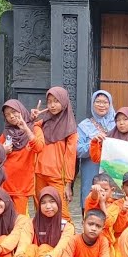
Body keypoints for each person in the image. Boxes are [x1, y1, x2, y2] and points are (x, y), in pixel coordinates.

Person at [9, 187, 75, 257]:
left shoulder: (67, 227)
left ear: (59, 203)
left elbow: (60, 249)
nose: (48, 206)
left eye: (52, 201)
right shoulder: (32, 223)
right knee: (31, 247)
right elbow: (23, 242)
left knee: (44, 247)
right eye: (43, 203)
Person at [32, 87, 78, 218]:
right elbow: (31, 128)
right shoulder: (43, 122)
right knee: (40, 211)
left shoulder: (70, 129)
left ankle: (67, 238)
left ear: (64, 102)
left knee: (62, 214)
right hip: (39, 173)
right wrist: (32, 118)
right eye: (50, 101)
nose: (52, 105)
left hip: (58, 177)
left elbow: (70, 157)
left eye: (56, 101)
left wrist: (68, 184)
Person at [0, 100, 43, 214]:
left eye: (14, 112)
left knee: (20, 216)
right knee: (6, 215)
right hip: (6, 181)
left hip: (22, 183)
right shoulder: (6, 133)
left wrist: (26, 130)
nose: (11, 116)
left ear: (21, 111)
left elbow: (39, 147)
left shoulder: (34, 129)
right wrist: (3, 150)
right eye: (7, 115)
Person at [76, 90, 116, 200]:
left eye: (105, 102)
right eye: (98, 102)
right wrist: (93, 143)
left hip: (113, 173)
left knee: (113, 207)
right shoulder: (84, 126)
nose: (101, 105)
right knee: (91, 204)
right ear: (93, 104)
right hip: (91, 172)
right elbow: (77, 150)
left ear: (110, 104)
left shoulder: (119, 122)